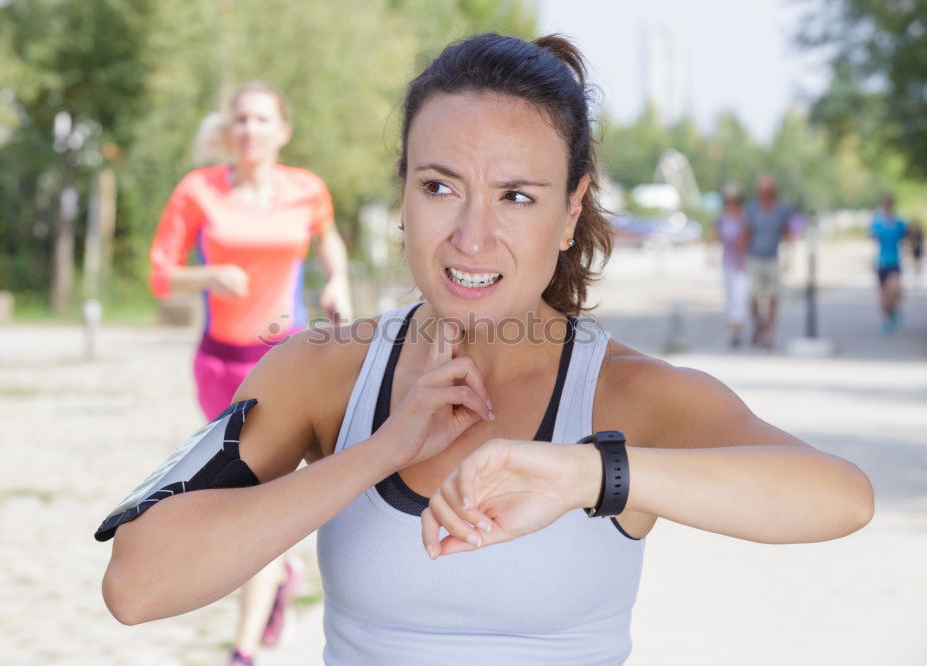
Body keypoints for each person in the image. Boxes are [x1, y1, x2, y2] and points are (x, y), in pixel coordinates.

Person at [100, 34, 873, 665]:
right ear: (402, 194)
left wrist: (584, 471)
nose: (471, 236)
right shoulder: (324, 370)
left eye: (517, 197)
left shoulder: (627, 395)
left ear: (571, 212)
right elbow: (138, 587)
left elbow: (839, 497)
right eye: (439, 187)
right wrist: (377, 450)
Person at [147, 82, 353, 665]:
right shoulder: (198, 192)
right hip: (219, 361)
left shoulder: (306, 190)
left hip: (281, 360)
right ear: (229, 129)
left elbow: (328, 239)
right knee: (244, 491)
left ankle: (241, 651)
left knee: (249, 496)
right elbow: (161, 274)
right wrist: (208, 278)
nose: (250, 130)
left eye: (262, 120)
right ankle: (283, 574)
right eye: (241, 119)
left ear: (281, 130)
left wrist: (336, 278)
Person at [744, 174, 793, 349]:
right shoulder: (753, 208)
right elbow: (747, 232)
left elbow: (786, 232)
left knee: (774, 297)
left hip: (772, 258)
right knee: (753, 297)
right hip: (754, 257)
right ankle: (758, 323)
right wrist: (743, 256)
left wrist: (788, 255)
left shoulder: (781, 209)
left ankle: (769, 334)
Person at [711, 183, 751, 347]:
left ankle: (737, 332)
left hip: (743, 263)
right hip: (728, 262)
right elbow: (715, 234)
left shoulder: (745, 217)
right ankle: (733, 330)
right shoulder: (723, 218)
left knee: (739, 298)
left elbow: (748, 238)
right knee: (730, 297)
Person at [868, 194, 907, 334]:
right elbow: (872, 238)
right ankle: (886, 320)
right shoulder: (877, 222)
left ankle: (894, 310)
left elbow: (905, 238)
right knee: (883, 295)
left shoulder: (900, 222)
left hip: (895, 261)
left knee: (895, 289)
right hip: (881, 261)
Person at [906, 218, 922, 284]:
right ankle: (915, 273)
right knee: (913, 261)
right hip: (913, 248)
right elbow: (908, 239)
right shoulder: (910, 232)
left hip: (917, 248)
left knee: (917, 261)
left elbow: (920, 240)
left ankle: (917, 273)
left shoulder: (918, 231)